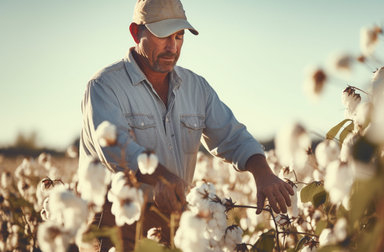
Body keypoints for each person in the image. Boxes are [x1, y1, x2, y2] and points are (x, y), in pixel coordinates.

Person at [79, 0, 294, 250]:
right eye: (163, 36)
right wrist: (163, 178)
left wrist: (263, 173)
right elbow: (116, 147)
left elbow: (232, 136)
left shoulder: (196, 88)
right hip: (116, 227)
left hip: (173, 226)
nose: (172, 47)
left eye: (179, 36)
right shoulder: (105, 87)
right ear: (136, 32)